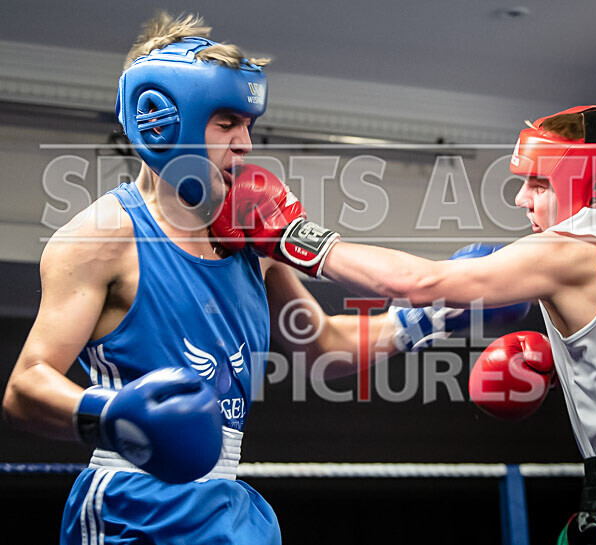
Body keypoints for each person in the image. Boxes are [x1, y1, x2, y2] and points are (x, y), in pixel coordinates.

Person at [1, 13, 528, 544]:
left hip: (227, 504)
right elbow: (24, 388)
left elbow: (320, 343)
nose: (246, 144)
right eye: (226, 123)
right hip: (133, 505)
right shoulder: (104, 236)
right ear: (162, 119)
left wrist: (430, 316)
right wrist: (111, 414)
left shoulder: (254, 234)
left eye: (248, 124)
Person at [213, 101, 596, 544]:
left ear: (591, 185)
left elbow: (419, 284)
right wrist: (570, 367)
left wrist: (291, 233)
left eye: (541, 184)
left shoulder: (572, 250)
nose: (524, 199)